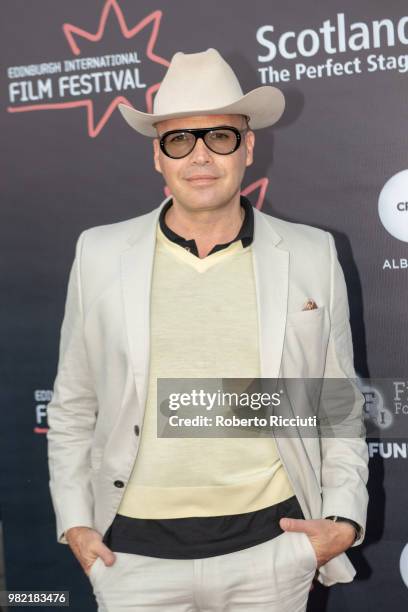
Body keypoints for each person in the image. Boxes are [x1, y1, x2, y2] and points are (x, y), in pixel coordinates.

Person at [47, 48, 369, 612]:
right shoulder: (98, 253)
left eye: (219, 136)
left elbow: (333, 402)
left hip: (273, 553)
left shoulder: (310, 252)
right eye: (180, 140)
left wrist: (342, 518)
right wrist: (75, 522)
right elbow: (74, 404)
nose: (200, 156)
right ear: (158, 156)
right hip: (132, 562)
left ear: (247, 146)